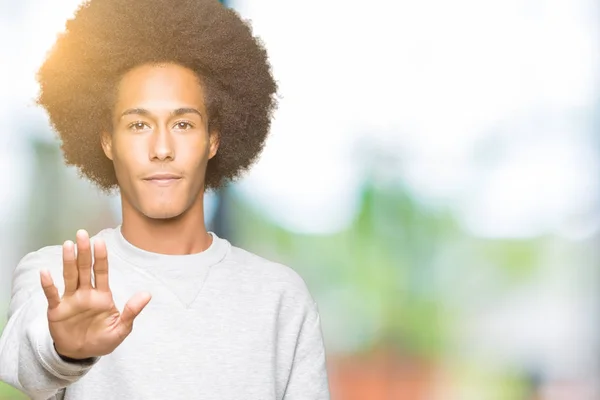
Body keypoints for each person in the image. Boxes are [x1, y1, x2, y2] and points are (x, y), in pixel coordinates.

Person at [0, 0, 330, 399]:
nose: (161, 148)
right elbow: (24, 365)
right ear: (107, 139)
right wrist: (64, 350)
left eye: (183, 123)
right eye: (138, 124)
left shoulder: (280, 296)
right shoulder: (58, 274)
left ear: (213, 139)